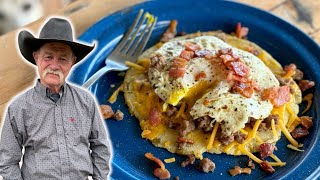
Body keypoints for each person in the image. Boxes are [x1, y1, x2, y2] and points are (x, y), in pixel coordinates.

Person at [0, 17, 111, 179]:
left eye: (62, 59)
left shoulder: (86, 101)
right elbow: (8, 161)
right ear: (36, 57)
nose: (54, 65)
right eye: (48, 57)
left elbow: (100, 147)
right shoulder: (18, 108)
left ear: (72, 62)